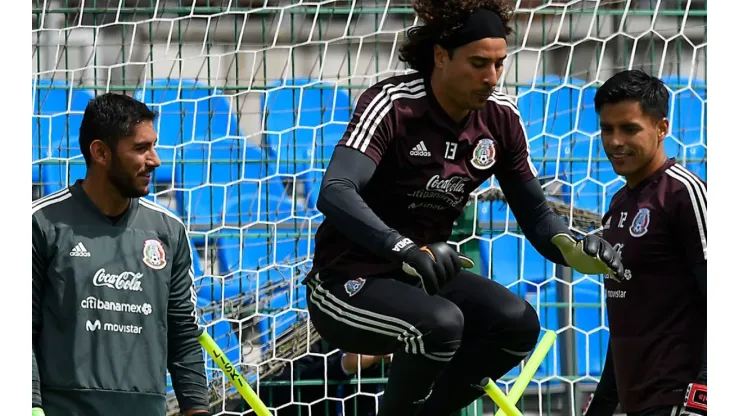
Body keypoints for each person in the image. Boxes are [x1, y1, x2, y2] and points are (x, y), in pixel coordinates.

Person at [302, 1, 626, 415]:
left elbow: (538, 217)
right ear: (440, 56)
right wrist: (402, 248)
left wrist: (575, 248)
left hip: (422, 279)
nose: (491, 77)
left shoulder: (500, 118)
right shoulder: (394, 105)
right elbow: (335, 189)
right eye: (478, 63)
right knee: (441, 323)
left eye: (499, 64)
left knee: (516, 324)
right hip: (346, 284)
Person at [31, 93, 211, 415]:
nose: (155, 160)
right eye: (141, 149)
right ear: (100, 152)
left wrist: (196, 409)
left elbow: (183, 333)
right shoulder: (39, 224)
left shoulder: (168, 231)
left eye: (153, 146)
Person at [582, 70, 707, 416]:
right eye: (607, 129)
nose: (615, 142)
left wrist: (704, 395)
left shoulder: (685, 194)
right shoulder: (619, 204)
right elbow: (629, 318)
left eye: (629, 129)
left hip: (679, 399)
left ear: (661, 128)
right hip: (637, 400)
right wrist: (603, 404)